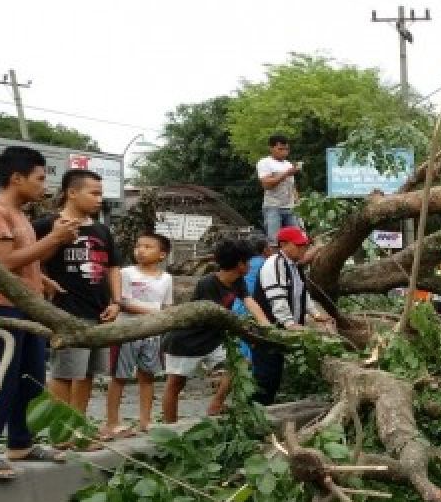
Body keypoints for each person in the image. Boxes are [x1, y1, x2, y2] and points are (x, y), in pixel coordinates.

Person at [0, 147, 81, 479]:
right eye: (40, 178)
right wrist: (54, 236)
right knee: (0, 381)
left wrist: (43, 276)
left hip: (28, 306)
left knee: (31, 379)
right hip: (3, 310)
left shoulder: (20, 214)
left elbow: (23, 258)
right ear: (16, 178)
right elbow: (3, 265)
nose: (44, 185)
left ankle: (20, 442)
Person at [33, 170, 122, 419]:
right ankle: (61, 435)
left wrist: (116, 302)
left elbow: (114, 268)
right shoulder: (46, 225)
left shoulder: (102, 231)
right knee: (64, 373)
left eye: (101, 194)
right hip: (65, 312)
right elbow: (28, 261)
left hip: (101, 312)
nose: (99, 199)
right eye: (93, 193)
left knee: (87, 374)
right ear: (71, 193)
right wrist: (56, 243)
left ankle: (79, 429)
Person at [161, 240, 268, 423]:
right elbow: (217, 316)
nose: (250, 266)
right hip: (186, 341)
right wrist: (245, 331)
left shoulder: (238, 281)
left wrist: (265, 324)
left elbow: (249, 302)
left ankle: (216, 404)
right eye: (247, 262)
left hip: (212, 339)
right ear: (239, 264)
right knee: (176, 384)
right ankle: (170, 426)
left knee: (240, 364)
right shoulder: (208, 283)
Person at [251, 227, 334, 405]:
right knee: (265, 377)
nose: (304, 249)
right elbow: (277, 298)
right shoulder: (274, 265)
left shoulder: (294, 267)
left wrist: (316, 314)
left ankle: (264, 411)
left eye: (304, 245)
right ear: (284, 245)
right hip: (269, 332)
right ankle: (255, 414)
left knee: (274, 375)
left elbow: (302, 295)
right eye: (299, 246)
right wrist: (289, 324)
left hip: (280, 332)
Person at [104, 232, 174, 438]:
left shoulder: (167, 278)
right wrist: (154, 312)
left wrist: (163, 319)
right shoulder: (125, 273)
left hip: (152, 333)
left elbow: (168, 305)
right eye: (138, 246)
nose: (141, 250)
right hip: (127, 330)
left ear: (162, 255)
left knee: (147, 376)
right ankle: (112, 421)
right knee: (119, 376)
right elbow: (122, 302)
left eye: (148, 247)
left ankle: (146, 420)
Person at [232, 232, 270, 363]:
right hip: (251, 308)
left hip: (237, 305)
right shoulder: (265, 264)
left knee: (240, 344)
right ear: (265, 249)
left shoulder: (244, 264)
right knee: (250, 345)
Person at [257, 135, 301, 244]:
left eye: (286, 149)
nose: (284, 152)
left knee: (297, 239)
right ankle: (275, 260)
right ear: (271, 148)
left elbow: (292, 186)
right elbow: (266, 184)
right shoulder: (264, 162)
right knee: (274, 240)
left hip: (290, 207)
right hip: (273, 207)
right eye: (280, 149)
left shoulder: (288, 164)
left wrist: (298, 202)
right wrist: (286, 174)